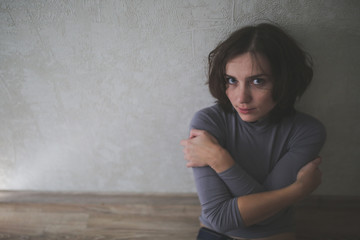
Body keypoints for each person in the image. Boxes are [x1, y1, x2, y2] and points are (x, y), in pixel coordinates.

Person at [180, 23, 326, 240]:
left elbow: (266, 218)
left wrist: (219, 159)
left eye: (258, 81)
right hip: (216, 233)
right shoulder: (208, 122)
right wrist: (298, 191)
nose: (241, 98)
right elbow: (220, 217)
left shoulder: (306, 131)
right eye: (232, 80)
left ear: (284, 81)